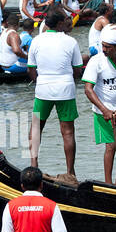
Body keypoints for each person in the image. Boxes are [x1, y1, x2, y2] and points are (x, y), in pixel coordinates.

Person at [26, 10, 83, 180]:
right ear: (58, 24)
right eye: (65, 21)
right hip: (65, 89)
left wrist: (39, 82)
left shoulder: (36, 40)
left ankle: (33, 165)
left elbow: (31, 69)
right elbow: (78, 69)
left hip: (43, 89)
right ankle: (70, 171)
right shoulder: (71, 41)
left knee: (36, 128)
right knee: (68, 132)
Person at [82, 28, 116, 186]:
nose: (104, 49)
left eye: (108, 47)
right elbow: (88, 89)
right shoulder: (96, 61)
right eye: (103, 46)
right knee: (112, 146)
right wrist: (105, 110)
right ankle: (108, 184)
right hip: (102, 111)